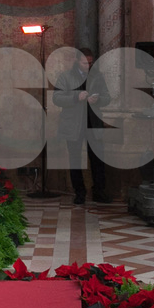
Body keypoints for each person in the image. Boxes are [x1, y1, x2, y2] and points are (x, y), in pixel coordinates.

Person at [52, 48, 112, 205]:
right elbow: (57, 98)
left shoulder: (97, 76)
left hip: (93, 123)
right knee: (75, 160)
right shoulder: (66, 76)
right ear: (77, 61)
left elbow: (107, 98)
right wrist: (75, 97)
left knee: (98, 159)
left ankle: (99, 191)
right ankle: (79, 192)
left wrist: (98, 100)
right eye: (85, 63)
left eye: (90, 63)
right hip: (73, 125)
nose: (88, 66)